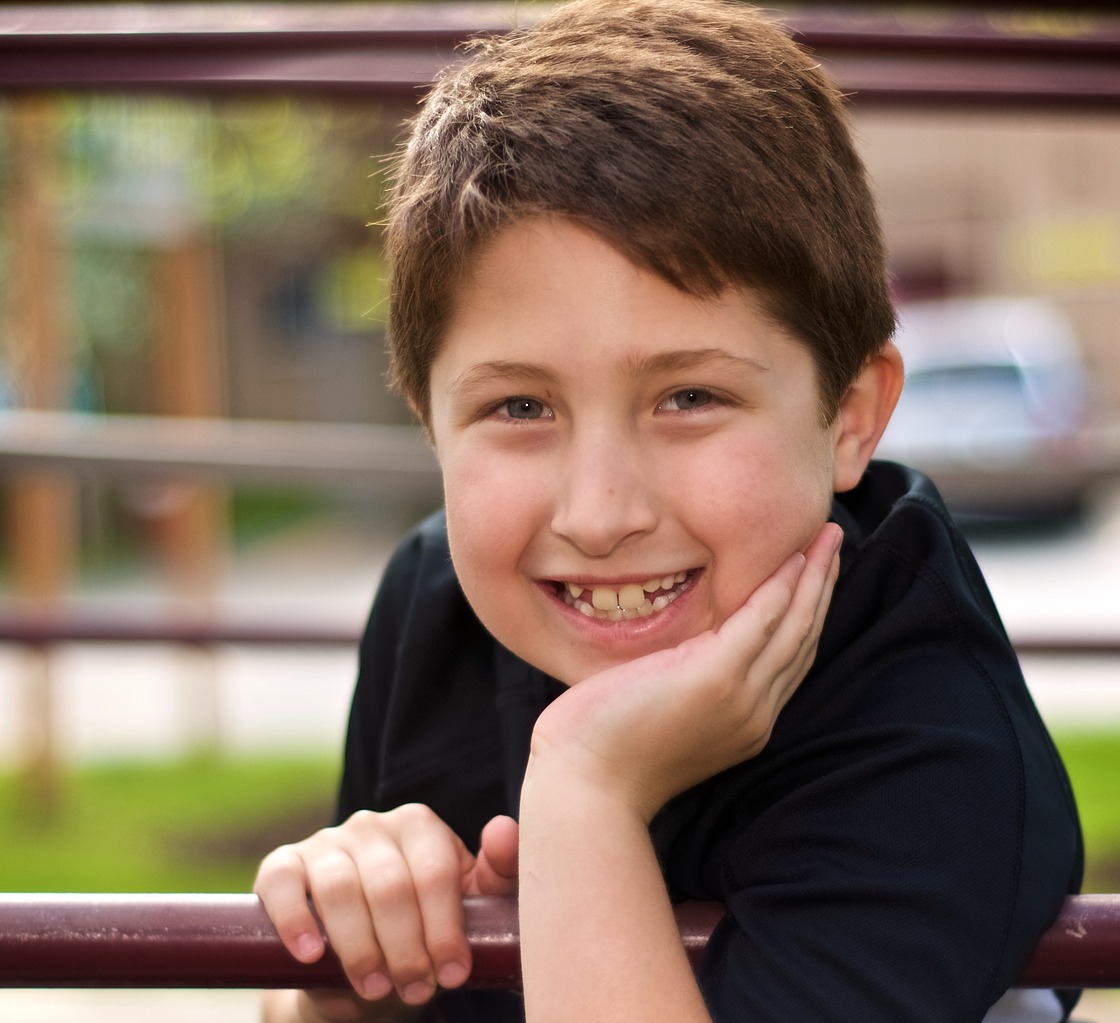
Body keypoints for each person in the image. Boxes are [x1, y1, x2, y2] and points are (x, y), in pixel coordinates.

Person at [254, 1, 1083, 1020]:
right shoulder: (434, 604)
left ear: (848, 418)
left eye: (688, 398)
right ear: (427, 420)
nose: (599, 514)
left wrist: (584, 798)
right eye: (519, 406)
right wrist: (345, 985)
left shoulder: (930, 748)